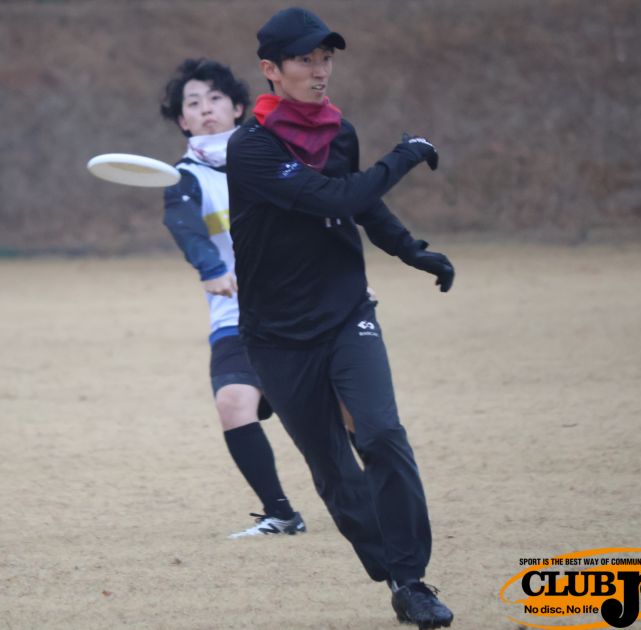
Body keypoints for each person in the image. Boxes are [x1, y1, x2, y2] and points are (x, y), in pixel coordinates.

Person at [226, 7, 455, 629]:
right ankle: (389, 566)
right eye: (306, 60)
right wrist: (405, 155)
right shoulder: (250, 147)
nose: (320, 70)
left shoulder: (339, 133)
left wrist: (412, 250)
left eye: (326, 58)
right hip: (277, 336)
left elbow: (363, 206)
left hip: (347, 312)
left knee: (380, 434)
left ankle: (411, 582)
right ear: (271, 70)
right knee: (333, 471)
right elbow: (336, 196)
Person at [158, 58, 306, 539]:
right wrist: (212, 269)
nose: (205, 109)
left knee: (344, 414)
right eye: (193, 103)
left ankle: (380, 501)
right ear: (182, 120)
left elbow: (314, 219)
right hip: (236, 315)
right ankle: (280, 514)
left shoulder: (273, 158)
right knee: (233, 404)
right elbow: (184, 226)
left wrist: (347, 278)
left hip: (301, 306)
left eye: (215, 98)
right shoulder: (185, 178)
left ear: (238, 107)